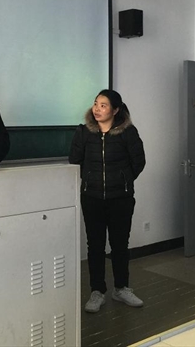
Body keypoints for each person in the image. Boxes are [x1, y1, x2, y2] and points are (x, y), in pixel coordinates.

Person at [69, 89, 146, 313]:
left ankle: (121, 288)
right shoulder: (84, 132)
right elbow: (75, 159)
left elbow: (139, 162)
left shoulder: (127, 132)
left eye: (103, 105)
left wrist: (122, 180)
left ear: (115, 110)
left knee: (120, 245)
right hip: (92, 197)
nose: (97, 109)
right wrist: (90, 179)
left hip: (120, 199)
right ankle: (97, 291)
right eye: (96, 104)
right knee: (95, 246)